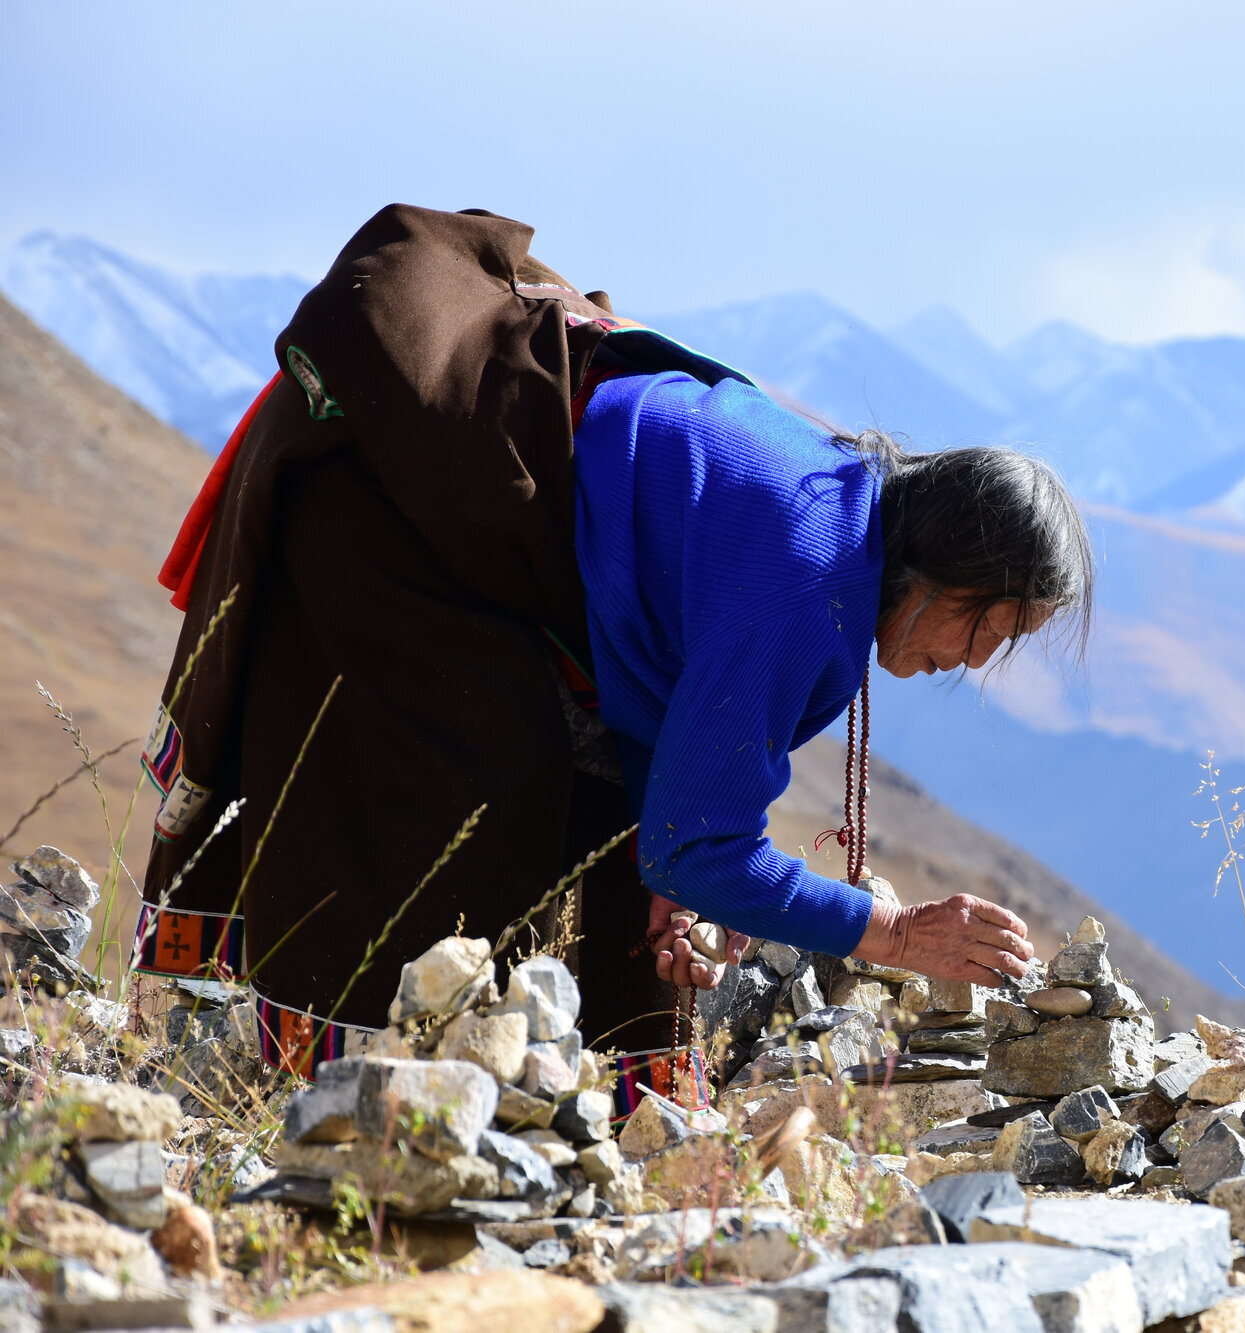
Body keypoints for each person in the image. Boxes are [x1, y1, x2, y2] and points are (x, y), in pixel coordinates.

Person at [135, 205, 1090, 1098]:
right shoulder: (808, 581)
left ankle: (534, 1119)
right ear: (946, 574)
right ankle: (363, 1110)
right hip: (390, 524)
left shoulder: (838, 511)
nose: (974, 661)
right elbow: (702, 847)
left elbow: (657, 692)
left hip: (500, 549)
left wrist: (672, 876)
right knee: (470, 797)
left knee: (592, 821)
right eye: (990, 629)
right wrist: (894, 932)